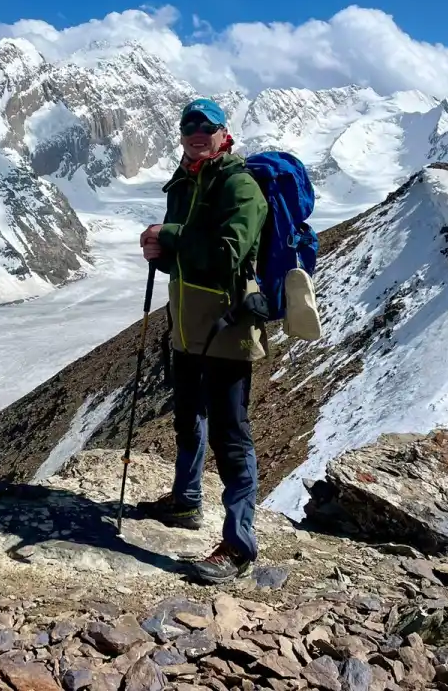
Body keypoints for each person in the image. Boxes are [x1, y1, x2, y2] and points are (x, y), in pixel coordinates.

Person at [138, 97, 268, 584]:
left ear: (222, 133)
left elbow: (225, 256)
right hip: (187, 326)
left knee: (230, 434)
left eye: (207, 125)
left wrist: (169, 235)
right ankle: (186, 500)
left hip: (227, 329)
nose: (197, 131)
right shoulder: (184, 182)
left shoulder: (240, 186)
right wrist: (160, 252)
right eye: (188, 124)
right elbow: (185, 260)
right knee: (188, 417)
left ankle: (239, 546)